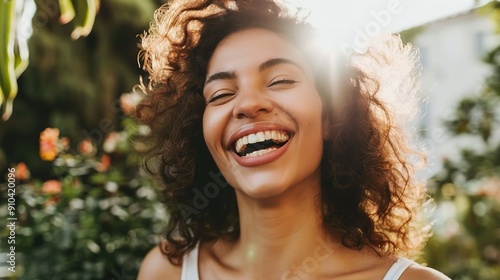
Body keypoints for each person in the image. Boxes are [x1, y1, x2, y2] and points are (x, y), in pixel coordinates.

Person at [135, 0, 450, 279]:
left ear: (331, 117)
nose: (247, 105)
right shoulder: (166, 272)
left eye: (280, 80)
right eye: (221, 94)